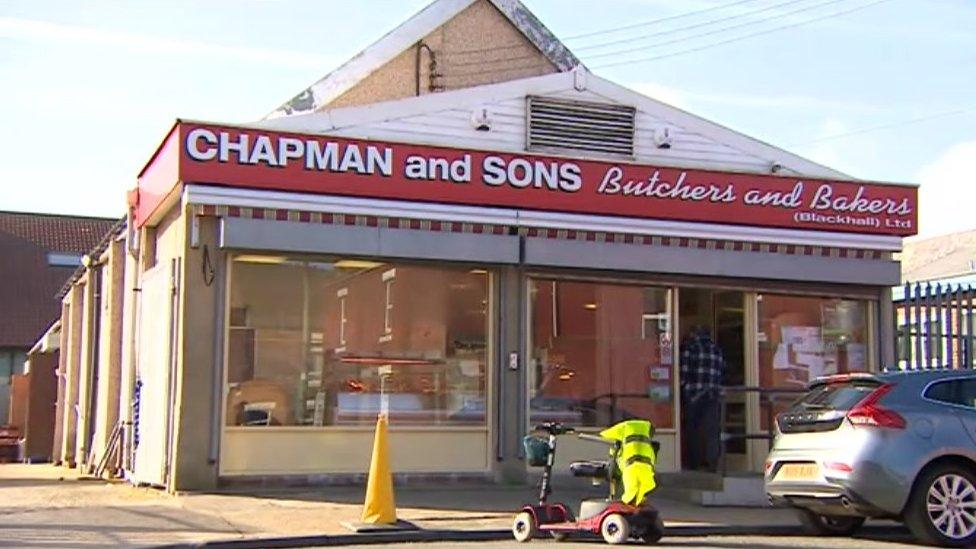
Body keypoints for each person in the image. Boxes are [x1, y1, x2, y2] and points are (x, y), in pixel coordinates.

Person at [679, 325, 725, 472]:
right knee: (711, 430)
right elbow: (721, 373)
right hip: (712, 395)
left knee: (692, 430)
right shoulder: (716, 349)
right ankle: (712, 463)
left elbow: (682, 373)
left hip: (693, 396)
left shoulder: (690, 348)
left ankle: (694, 462)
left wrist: (682, 389)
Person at [599, 418, 657, 506]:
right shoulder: (646, 429)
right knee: (640, 493)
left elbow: (604, 434)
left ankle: (626, 507)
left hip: (630, 469)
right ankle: (637, 506)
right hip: (647, 470)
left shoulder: (625, 427)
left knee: (628, 495)